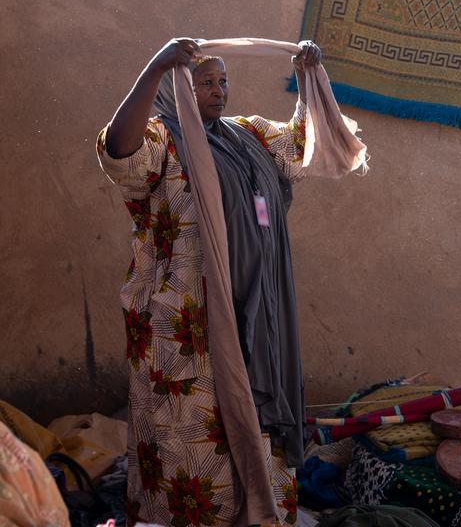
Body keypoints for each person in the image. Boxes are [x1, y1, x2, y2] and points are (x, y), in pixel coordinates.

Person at [96, 37, 325, 525]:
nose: (219, 91)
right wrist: (155, 67)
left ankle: (256, 513)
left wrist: (308, 80)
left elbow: (301, 147)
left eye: (223, 81)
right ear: (178, 87)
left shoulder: (247, 137)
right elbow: (119, 151)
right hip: (184, 323)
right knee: (192, 434)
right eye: (205, 83)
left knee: (252, 419)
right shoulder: (163, 140)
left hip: (252, 315)